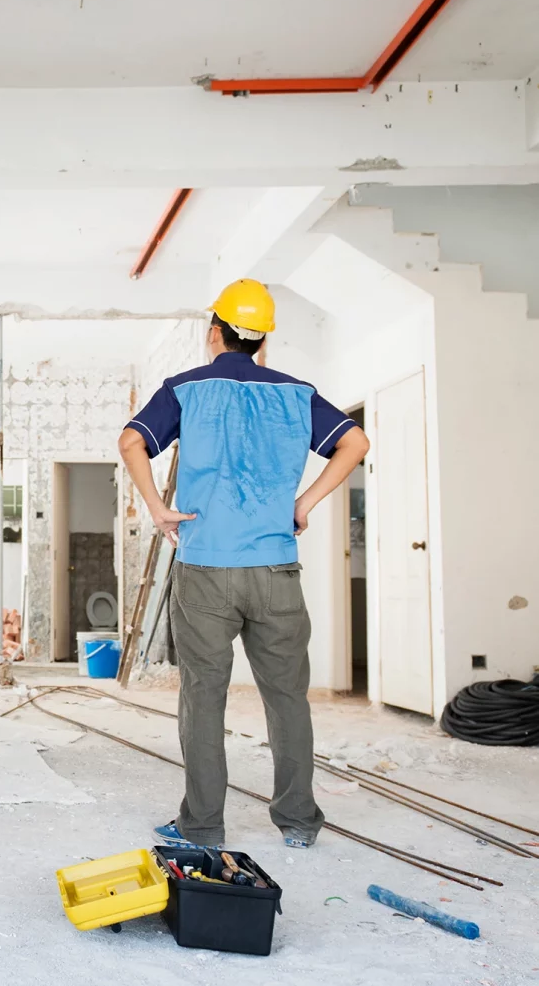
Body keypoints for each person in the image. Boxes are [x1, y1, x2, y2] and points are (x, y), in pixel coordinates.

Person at [118, 278, 370, 850]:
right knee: (287, 698)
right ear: (262, 343)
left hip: (205, 568)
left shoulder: (185, 389)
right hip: (277, 568)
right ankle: (299, 824)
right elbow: (354, 443)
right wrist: (302, 503)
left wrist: (159, 508)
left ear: (215, 333)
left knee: (203, 698)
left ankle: (202, 827)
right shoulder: (296, 393)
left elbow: (132, 441)